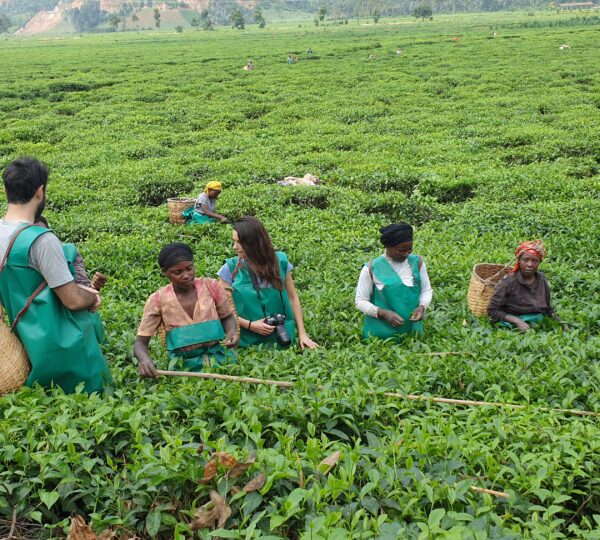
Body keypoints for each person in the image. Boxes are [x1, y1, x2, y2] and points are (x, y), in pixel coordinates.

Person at [0, 157, 111, 394]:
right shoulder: (41, 240)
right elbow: (72, 299)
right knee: (90, 402)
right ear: (40, 191)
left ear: (5, 190)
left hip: (27, 343)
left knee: (46, 401)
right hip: (69, 348)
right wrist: (92, 297)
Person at [134, 243, 239, 377]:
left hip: (222, 361)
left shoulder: (211, 287)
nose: (186, 275)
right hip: (182, 369)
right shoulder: (158, 300)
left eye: (189, 268)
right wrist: (144, 360)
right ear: (165, 272)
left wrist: (232, 332)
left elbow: (227, 317)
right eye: (178, 272)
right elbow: (140, 343)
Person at [217, 216, 318, 350]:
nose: (235, 247)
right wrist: (250, 325)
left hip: (283, 337)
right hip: (247, 343)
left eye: (240, 242)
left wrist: (303, 334)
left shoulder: (280, 262)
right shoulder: (229, 269)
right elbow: (221, 309)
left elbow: (293, 298)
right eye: (234, 241)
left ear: (254, 242)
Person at [356, 222, 433, 340]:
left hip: (412, 335)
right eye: (400, 250)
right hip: (380, 338)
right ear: (388, 246)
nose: (406, 254)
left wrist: (422, 307)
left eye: (409, 250)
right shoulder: (371, 269)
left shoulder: (417, 262)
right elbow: (360, 301)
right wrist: (382, 313)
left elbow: (426, 290)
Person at [488, 240, 565, 331]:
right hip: (514, 318)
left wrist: (561, 323)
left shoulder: (542, 278)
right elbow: (492, 310)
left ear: (539, 262)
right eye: (525, 260)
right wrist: (517, 321)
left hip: (537, 318)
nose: (530, 264)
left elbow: (548, 308)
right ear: (519, 261)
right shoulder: (508, 281)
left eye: (534, 261)